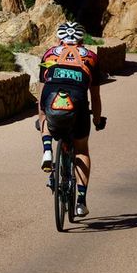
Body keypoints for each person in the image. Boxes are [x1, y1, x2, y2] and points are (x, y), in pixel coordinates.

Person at [37, 21, 105, 219]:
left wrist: (40, 115)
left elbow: (41, 89)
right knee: (81, 148)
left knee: (44, 115)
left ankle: (47, 150)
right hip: (78, 99)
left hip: (51, 95)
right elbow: (96, 96)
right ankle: (81, 202)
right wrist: (97, 120)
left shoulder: (49, 54)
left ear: (59, 39)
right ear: (82, 40)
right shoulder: (91, 57)